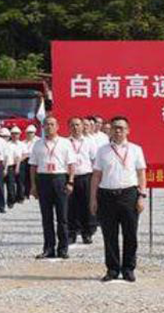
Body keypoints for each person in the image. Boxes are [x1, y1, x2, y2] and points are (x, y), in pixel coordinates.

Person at [90, 116, 147, 282]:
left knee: (130, 234)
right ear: (110, 130)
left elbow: (141, 173)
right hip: (107, 195)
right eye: (115, 127)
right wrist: (93, 199)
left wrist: (142, 196)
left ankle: (128, 268)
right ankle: (112, 269)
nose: (118, 131)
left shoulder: (136, 149)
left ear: (128, 130)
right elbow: (96, 176)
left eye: (121, 128)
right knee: (109, 235)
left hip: (129, 195)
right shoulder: (102, 150)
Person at [30, 116, 76, 259]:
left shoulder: (65, 143)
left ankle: (63, 248)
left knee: (62, 217)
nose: (49, 127)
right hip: (43, 179)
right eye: (46, 125)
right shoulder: (38, 144)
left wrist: (70, 182)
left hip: (60, 178)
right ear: (42, 127)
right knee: (46, 217)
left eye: (52, 124)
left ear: (57, 127)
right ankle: (48, 248)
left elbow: (71, 164)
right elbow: (33, 166)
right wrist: (33, 185)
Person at [68, 117, 98, 245]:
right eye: (73, 125)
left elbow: (94, 160)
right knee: (70, 207)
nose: (76, 127)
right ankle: (72, 233)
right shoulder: (65, 142)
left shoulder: (89, 142)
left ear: (82, 126)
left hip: (85, 176)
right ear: (69, 127)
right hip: (70, 177)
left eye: (78, 125)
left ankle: (87, 233)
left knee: (86, 205)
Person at [0, 128, 18, 210]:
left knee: (11, 186)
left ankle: (10, 201)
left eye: (5, 136)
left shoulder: (12, 145)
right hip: (0, 166)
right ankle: (1, 205)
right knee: (0, 187)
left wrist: (16, 167)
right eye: (2, 136)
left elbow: (17, 157)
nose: (4, 138)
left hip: (10, 167)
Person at [19, 125, 39, 201]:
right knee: (25, 178)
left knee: (35, 177)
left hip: (34, 161)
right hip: (25, 161)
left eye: (31, 133)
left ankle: (35, 192)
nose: (29, 134)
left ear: (34, 133)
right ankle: (26, 193)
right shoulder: (23, 142)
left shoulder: (38, 141)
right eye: (28, 133)